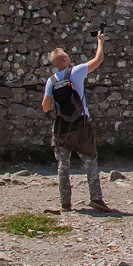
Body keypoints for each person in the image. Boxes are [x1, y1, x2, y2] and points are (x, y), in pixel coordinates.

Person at [40, 32, 108, 212]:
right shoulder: (76, 72)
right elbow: (98, 59)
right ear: (64, 60)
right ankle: (96, 198)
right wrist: (100, 42)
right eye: (67, 55)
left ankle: (65, 204)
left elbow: (46, 107)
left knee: (63, 165)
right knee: (90, 159)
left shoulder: (51, 81)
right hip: (81, 124)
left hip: (62, 127)